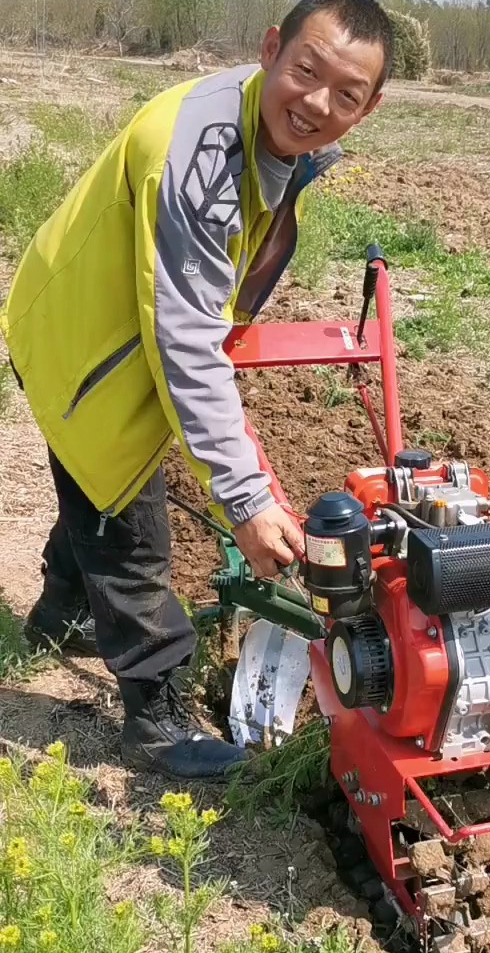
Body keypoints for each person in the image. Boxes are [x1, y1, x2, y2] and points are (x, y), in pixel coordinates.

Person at [0, 0, 393, 780]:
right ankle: (154, 716)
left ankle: (60, 611)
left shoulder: (273, 135)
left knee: (94, 483)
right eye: (307, 72)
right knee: (126, 515)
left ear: (369, 106)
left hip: (97, 314)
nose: (318, 103)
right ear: (272, 48)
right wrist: (247, 501)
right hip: (86, 342)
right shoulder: (203, 149)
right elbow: (183, 339)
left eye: (346, 95)